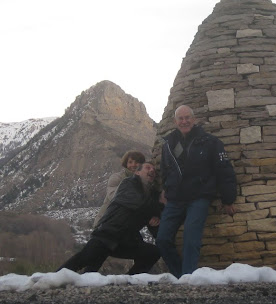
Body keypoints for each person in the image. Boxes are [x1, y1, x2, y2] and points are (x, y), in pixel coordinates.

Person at [156, 105, 237, 278]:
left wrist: (228, 199)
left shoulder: (210, 142)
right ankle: (180, 276)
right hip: (175, 199)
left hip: (199, 198)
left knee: (191, 239)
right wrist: (165, 190)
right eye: (180, 118)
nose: (184, 121)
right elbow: (164, 170)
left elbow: (224, 170)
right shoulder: (169, 144)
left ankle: (188, 278)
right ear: (175, 121)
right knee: (162, 239)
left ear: (194, 119)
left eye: (187, 118)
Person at [58, 162, 162, 275]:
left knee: (152, 252)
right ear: (137, 172)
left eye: (154, 170)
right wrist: (158, 206)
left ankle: (129, 281)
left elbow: (151, 215)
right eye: (147, 168)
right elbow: (138, 203)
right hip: (108, 234)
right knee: (85, 259)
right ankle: (51, 279)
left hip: (127, 240)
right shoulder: (128, 184)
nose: (152, 170)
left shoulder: (151, 196)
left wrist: (158, 228)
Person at [92, 150, 146, 228]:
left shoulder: (143, 181)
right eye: (130, 162)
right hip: (105, 223)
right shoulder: (117, 178)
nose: (133, 165)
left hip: (125, 225)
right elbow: (115, 197)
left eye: (137, 162)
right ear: (126, 164)